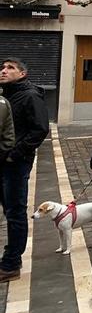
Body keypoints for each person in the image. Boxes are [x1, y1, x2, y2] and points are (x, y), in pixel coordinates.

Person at [0, 58, 49, 277]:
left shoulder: (30, 96)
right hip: (3, 160)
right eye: (3, 67)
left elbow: (39, 129)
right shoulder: (5, 96)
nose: (4, 70)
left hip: (16, 163)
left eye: (10, 68)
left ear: (22, 74)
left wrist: (14, 154)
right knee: (8, 209)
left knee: (15, 211)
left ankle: (12, 262)